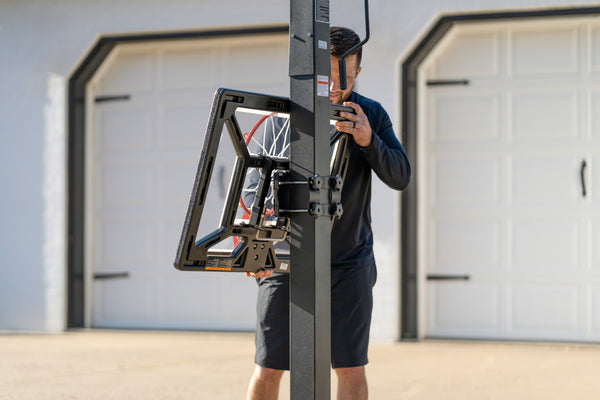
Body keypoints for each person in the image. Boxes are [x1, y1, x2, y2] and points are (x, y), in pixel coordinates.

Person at [246, 26, 411, 400]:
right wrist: (254, 248)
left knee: (350, 368)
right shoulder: (283, 116)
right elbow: (253, 190)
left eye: (345, 76)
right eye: (326, 75)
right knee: (267, 367)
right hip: (287, 262)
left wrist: (369, 141)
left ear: (357, 72)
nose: (335, 86)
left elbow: (401, 176)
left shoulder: (370, 113)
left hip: (348, 262)